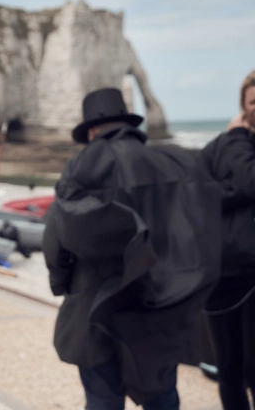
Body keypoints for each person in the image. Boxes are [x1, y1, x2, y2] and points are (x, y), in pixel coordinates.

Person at [42, 88, 222, 409]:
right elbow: (199, 224)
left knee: (102, 400)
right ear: (126, 122)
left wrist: (62, 283)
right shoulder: (172, 162)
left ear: (91, 131)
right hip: (158, 305)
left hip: (94, 307)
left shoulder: (81, 166)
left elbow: (58, 236)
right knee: (162, 396)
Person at [200, 70, 255, 410]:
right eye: (253, 101)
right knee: (229, 370)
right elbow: (197, 196)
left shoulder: (232, 143)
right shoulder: (220, 147)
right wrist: (239, 193)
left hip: (253, 275)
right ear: (242, 106)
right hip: (222, 275)